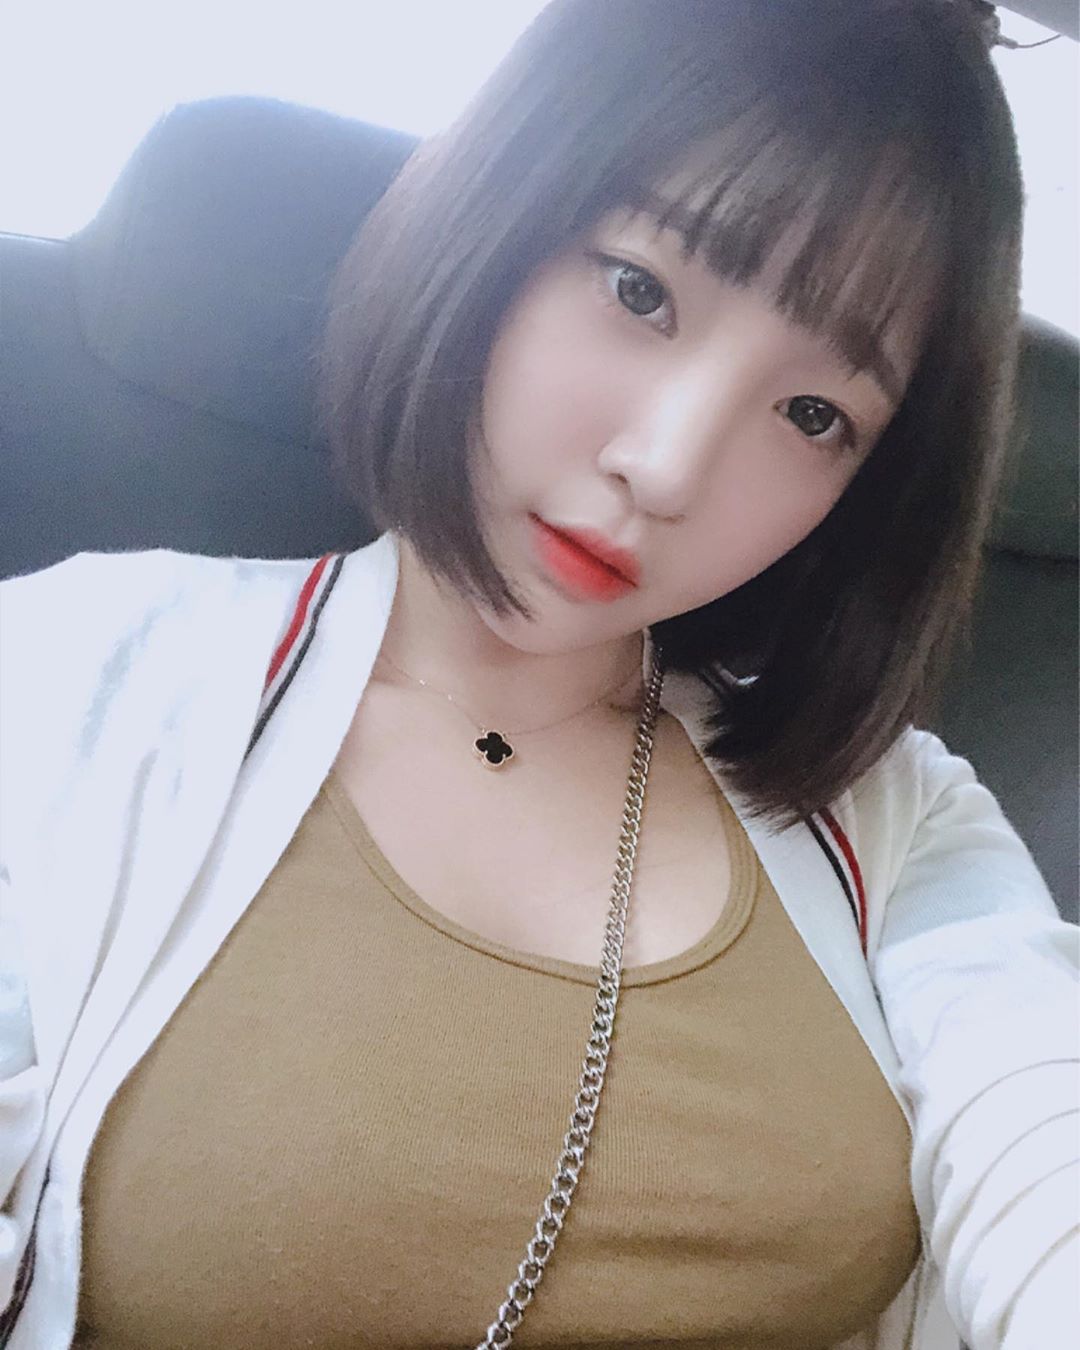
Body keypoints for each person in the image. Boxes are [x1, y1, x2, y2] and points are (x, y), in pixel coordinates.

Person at [1, 0, 1077, 1346]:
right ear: (492, 217)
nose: (666, 467)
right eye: (639, 289)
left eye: (815, 414)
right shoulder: (68, 675)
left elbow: (1044, 1141)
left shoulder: (894, 817)